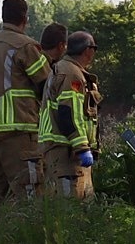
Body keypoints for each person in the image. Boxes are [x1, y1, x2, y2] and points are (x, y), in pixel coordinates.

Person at [0, 0, 49, 216]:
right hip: (19, 132)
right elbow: (47, 83)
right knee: (30, 195)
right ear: (24, 18)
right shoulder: (24, 45)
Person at [39, 30, 99, 199]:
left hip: (65, 149)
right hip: (66, 151)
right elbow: (68, 112)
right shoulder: (71, 73)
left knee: (80, 203)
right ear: (88, 50)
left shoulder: (65, 69)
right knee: (70, 206)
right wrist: (82, 148)